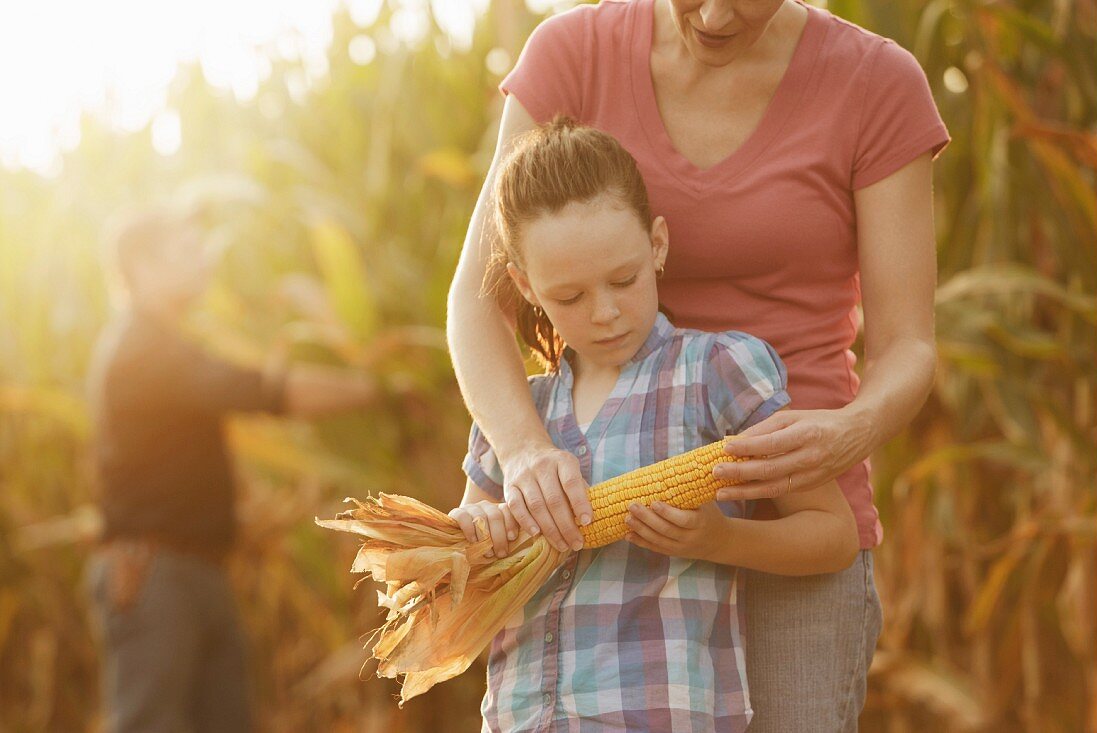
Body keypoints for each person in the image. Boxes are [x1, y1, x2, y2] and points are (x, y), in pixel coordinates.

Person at [447, 0, 950, 728]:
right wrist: (524, 452)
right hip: (608, 503)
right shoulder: (572, 52)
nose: (713, 16)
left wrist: (852, 430)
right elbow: (479, 294)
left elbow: (909, 342)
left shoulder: (876, 83)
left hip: (790, 514)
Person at [448, 118, 859, 732]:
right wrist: (476, 535)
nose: (606, 313)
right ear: (524, 286)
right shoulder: (513, 418)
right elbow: (463, 590)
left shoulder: (714, 373)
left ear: (658, 245)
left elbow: (834, 535)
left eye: (624, 279)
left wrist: (721, 542)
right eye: (569, 297)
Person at [83, 203, 379, 733]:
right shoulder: (141, 348)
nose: (203, 260)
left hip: (194, 571)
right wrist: (377, 391)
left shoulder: (162, 343)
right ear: (144, 266)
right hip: (157, 576)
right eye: (185, 249)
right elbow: (259, 391)